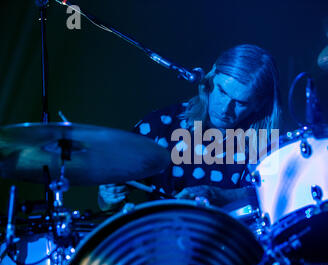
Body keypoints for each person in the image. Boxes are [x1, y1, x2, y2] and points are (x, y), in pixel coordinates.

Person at [98, 44, 282, 211]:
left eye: (240, 102)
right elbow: (106, 203)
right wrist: (108, 197)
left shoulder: (266, 145)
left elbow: (272, 197)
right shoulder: (162, 125)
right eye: (222, 91)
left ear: (259, 104)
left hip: (229, 243)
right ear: (211, 79)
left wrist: (221, 196)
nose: (225, 108)